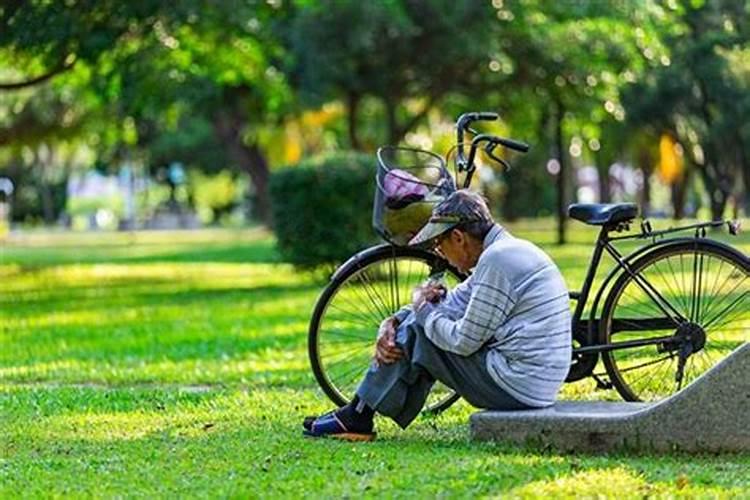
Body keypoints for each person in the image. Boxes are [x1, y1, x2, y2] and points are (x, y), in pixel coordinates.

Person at [303, 189, 572, 441]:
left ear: (458, 237)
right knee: (416, 324)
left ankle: (357, 416)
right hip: (533, 383)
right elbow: (453, 302)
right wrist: (394, 320)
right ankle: (358, 413)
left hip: (518, 386)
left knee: (419, 330)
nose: (438, 252)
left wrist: (422, 312)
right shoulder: (507, 250)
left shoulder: (497, 260)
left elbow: (463, 342)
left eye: (440, 243)